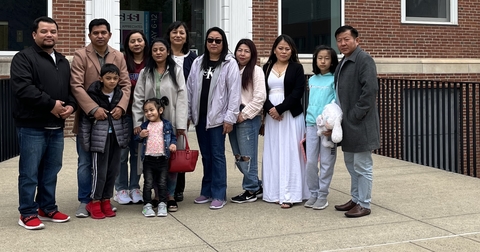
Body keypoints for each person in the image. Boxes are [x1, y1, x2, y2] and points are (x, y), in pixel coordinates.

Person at [11, 16, 76, 230]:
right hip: (32, 126)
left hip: (56, 127)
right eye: (44, 31)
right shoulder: (23, 58)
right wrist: (51, 105)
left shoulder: (63, 61)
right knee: (29, 172)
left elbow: (70, 91)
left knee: (51, 171)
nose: (49, 35)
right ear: (34, 34)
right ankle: (27, 212)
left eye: (53, 31)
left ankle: (47, 207)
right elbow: (23, 89)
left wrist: (71, 107)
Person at [70, 18, 131, 218]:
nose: (100, 36)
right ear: (89, 35)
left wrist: (122, 106)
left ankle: (104, 198)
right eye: (95, 33)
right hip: (91, 121)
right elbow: (76, 85)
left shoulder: (118, 56)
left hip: (114, 119)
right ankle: (85, 201)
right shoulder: (81, 55)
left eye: (103, 32)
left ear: (109, 35)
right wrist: (93, 108)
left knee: (110, 163)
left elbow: (125, 84)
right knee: (86, 162)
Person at [187, 27, 241, 210]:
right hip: (201, 117)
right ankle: (207, 190)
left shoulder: (229, 63)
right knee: (206, 155)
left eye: (218, 41)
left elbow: (234, 93)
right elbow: (190, 89)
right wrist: (188, 113)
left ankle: (219, 193)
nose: (214, 43)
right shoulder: (198, 62)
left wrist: (230, 118)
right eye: (210, 40)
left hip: (219, 118)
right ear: (206, 42)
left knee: (217, 155)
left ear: (223, 43)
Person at [132, 37, 188, 212]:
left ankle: (169, 195)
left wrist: (180, 124)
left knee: (169, 159)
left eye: (161, 49)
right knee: (151, 159)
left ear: (168, 52)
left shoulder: (176, 70)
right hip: (149, 124)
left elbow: (182, 97)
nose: (158, 52)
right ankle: (156, 195)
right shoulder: (145, 73)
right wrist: (138, 122)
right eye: (155, 50)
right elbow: (138, 97)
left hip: (169, 121)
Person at [333, 25, 380, 218]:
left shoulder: (364, 59)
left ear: (356, 40)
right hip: (348, 124)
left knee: (363, 166)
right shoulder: (344, 61)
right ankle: (355, 199)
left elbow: (369, 92)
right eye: (339, 40)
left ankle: (364, 203)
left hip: (360, 124)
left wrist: (354, 115)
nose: (343, 43)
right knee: (351, 164)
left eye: (346, 39)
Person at [262, 34, 309, 209]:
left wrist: (280, 109)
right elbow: (261, 92)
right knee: (274, 152)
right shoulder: (266, 67)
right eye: (280, 48)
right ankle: (275, 192)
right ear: (274, 49)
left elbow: (298, 92)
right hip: (272, 117)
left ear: (292, 51)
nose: (283, 51)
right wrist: (270, 110)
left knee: (291, 152)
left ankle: (291, 193)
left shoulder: (297, 68)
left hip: (290, 115)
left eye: (287, 49)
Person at [77, 63, 129, 219]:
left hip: (116, 138)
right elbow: (85, 121)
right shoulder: (93, 95)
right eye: (108, 78)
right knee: (99, 172)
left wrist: (123, 139)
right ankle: (94, 201)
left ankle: (106, 199)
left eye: (115, 78)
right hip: (99, 140)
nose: (112, 81)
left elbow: (124, 120)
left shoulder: (120, 95)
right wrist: (86, 142)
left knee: (113, 170)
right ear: (100, 78)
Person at [229, 39, 266, 203]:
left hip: (248, 117)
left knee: (247, 156)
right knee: (238, 155)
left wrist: (244, 114)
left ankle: (250, 190)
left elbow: (260, 97)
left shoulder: (256, 71)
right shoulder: (232, 69)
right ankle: (256, 185)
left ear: (252, 54)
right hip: (232, 116)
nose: (242, 54)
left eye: (246, 51)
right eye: (239, 50)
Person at [114, 30, 149, 205]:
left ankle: (135, 186)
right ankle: (120, 188)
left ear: (144, 42)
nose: (136, 44)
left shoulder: (150, 62)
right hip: (124, 114)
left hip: (144, 116)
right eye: (132, 41)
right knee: (122, 153)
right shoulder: (122, 62)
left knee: (137, 153)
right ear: (127, 44)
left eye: (139, 40)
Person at [165, 21, 198, 203]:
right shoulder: (161, 53)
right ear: (169, 35)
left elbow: (194, 88)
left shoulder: (193, 58)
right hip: (163, 108)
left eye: (182, 33)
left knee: (179, 149)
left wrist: (188, 115)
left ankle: (178, 188)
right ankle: (160, 186)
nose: (178, 35)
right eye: (174, 32)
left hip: (182, 109)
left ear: (186, 37)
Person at [304, 45, 339, 210]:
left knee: (326, 162)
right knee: (310, 161)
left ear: (332, 61)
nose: (323, 61)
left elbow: (337, 104)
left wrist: (331, 125)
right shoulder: (311, 79)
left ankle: (323, 195)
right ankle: (313, 193)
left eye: (327, 58)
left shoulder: (335, 79)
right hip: (311, 124)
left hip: (327, 128)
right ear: (315, 60)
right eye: (320, 58)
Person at [135, 97, 177, 217]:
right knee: (148, 183)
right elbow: (137, 139)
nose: (148, 113)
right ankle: (147, 205)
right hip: (148, 159)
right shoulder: (145, 125)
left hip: (163, 158)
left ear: (160, 110)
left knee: (162, 183)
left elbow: (173, 137)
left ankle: (162, 204)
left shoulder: (166, 124)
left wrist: (173, 144)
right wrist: (141, 135)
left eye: (151, 110)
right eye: (146, 111)